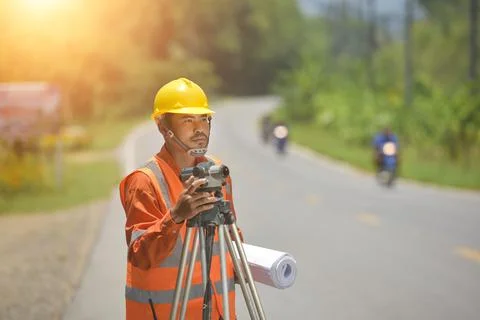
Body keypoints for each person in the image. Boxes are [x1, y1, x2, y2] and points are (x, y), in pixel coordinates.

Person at [119, 78, 239, 320]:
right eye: (187, 120)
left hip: (218, 311)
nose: (200, 129)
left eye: (204, 118)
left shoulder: (217, 172)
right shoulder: (145, 181)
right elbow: (141, 255)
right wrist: (176, 216)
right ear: (163, 127)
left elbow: (230, 240)